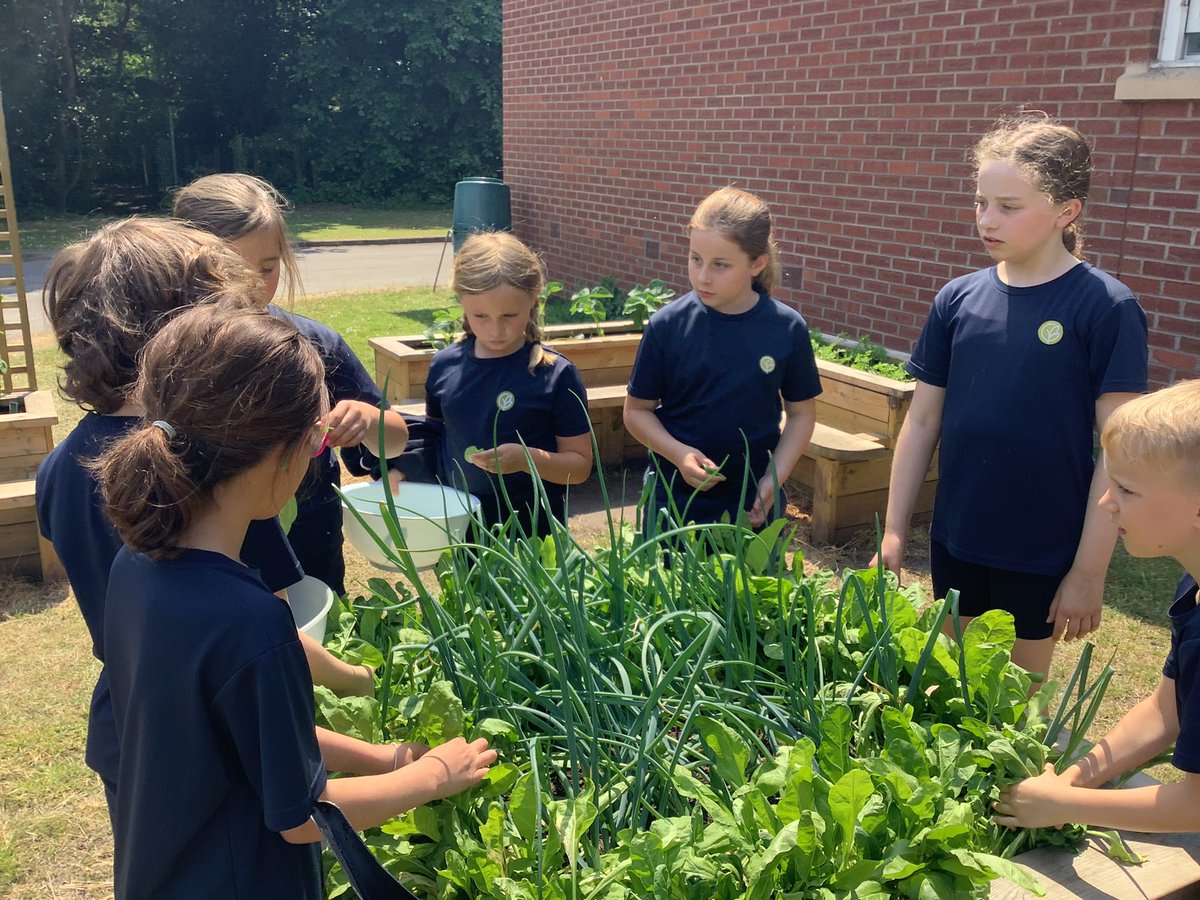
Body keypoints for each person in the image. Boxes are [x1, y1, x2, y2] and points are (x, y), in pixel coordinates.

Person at [93, 303, 496, 898]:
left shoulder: (137, 564)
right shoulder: (252, 621)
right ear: (284, 453)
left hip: (160, 870)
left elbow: (239, 736)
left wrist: (382, 758)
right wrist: (435, 776)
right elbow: (305, 816)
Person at [35, 219, 372, 824]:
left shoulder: (61, 467)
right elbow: (271, 626)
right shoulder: (219, 470)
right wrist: (355, 678)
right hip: (225, 738)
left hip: (129, 728)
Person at [877, 117, 1148, 681]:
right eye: (980, 202)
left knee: (1011, 704)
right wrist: (895, 528)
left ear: (1065, 211)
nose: (985, 219)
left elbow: (1116, 452)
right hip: (958, 536)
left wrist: (1087, 572)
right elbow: (923, 421)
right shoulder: (958, 299)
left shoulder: (1105, 308)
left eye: (1007, 206)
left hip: (1042, 547)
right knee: (948, 684)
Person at [172, 173, 408, 596]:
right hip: (214, 563)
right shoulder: (172, 359)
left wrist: (368, 420)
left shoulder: (315, 344)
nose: (257, 285)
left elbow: (396, 441)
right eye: (233, 271)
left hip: (311, 545)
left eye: (268, 267)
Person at [993, 380, 1200, 833]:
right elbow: (1167, 712)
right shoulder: (1194, 584)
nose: (1106, 502)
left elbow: (1195, 805)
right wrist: (1071, 782)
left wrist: (1066, 807)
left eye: (1126, 490)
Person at [623, 186, 820, 533]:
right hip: (674, 501)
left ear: (757, 263)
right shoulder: (667, 326)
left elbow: (802, 414)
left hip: (754, 500)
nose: (703, 276)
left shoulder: (786, 328)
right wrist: (678, 454)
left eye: (720, 265)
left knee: (749, 588)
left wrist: (776, 476)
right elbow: (636, 411)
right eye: (695, 258)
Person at [424, 231, 592, 535]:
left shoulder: (554, 374)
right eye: (481, 316)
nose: (495, 330)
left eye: (509, 315)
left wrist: (529, 460)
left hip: (533, 530)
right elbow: (433, 439)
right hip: (461, 528)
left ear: (534, 296)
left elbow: (580, 467)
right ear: (461, 300)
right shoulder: (443, 366)